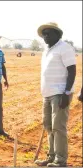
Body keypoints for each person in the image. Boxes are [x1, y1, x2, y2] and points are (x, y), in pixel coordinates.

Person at [35, 22, 76, 167]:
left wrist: (66, 93)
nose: (45, 36)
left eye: (49, 33)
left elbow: (72, 70)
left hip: (60, 93)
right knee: (48, 126)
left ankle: (61, 160)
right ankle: (51, 157)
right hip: (47, 94)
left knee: (58, 127)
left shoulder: (64, 48)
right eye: (44, 34)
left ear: (57, 34)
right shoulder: (46, 50)